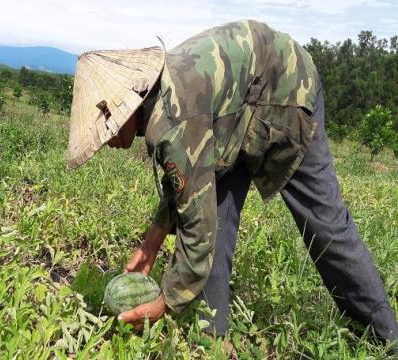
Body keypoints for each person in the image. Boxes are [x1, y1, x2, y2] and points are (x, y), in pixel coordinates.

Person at [67, 20, 397, 346]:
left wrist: (165, 302)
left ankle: (386, 337)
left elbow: (197, 224)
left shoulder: (174, 118)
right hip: (236, 113)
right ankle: (212, 340)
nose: (106, 141)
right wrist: (150, 244)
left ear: (126, 106)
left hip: (286, 89)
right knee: (217, 217)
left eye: (106, 130)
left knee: (324, 225)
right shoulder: (161, 98)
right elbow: (185, 182)